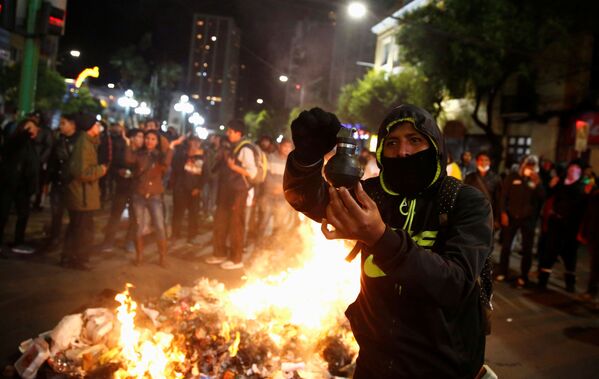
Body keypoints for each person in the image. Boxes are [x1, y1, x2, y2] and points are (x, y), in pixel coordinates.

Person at [284, 105, 493, 378]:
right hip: (374, 365)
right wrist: (307, 158)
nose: (403, 152)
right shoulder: (372, 196)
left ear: (435, 146)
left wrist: (380, 238)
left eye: (415, 140)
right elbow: (307, 198)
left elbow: (454, 284)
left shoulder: (465, 202)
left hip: (443, 369)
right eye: (392, 143)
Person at [124, 130, 182, 266]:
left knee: (160, 226)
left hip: (154, 195)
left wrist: (171, 147)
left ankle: (163, 257)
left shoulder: (160, 156)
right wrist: (128, 144)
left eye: (153, 139)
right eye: (147, 138)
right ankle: (139, 257)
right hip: (139, 194)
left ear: (157, 142)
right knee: (138, 226)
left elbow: (166, 164)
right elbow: (128, 159)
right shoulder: (139, 154)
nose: (149, 141)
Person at [205, 120, 257, 270]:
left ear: (238, 133)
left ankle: (236, 259)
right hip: (227, 191)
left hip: (239, 192)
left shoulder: (245, 149)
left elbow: (252, 173)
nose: (228, 133)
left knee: (236, 225)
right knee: (220, 222)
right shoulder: (231, 146)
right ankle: (219, 253)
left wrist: (234, 167)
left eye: (230, 131)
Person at [61, 114, 107, 270]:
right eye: (96, 124)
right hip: (82, 195)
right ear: (90, 127)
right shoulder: (84, 144)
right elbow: (81, 172)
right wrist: (101, 170)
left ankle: (68, 257)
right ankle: (78, 259)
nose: (99, 127)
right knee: (83, 230)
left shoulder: (88, 141)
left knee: (76, 228)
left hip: (84, 194)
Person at [538, 160, 590, 292]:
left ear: (580, 171)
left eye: (576, 168)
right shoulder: (560, 182)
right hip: (556, 223)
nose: (573, 170)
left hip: (572, 225)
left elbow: (585, 206)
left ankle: (570, 284)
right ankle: (542, 281)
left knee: (570, 254)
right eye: (571, 168)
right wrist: (550, 186)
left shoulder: (583, 186)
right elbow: (547, 195)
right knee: (550, 252)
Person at [496, 155, 544, 287]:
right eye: (527, 165)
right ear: (522, 165)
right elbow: (503, 196)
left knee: (527, 249)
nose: (529, 168)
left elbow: (542, 197)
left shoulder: (537, 180)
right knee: (506, 247)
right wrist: (503, 213)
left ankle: (523, 276)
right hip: (511, 217)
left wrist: (537, 183)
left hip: (528, 220)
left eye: (532, 166)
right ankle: (502, 272)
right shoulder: (512, 177)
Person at [0, 118, 40, 252]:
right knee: (3, 213)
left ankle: (18, 242)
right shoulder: (16, 140)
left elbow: (32, 165)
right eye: (29, 127)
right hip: (10, 182)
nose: (32, 130)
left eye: (34, 128)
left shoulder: (32, 144)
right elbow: (11, 148)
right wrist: (25, 134)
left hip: (23, 184)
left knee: (23, 214)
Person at [100, 128, 141, 252]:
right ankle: (108, 241)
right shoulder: (121, 151)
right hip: (122, 187)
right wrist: (119, 172)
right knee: (115, 215)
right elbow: (112, 167)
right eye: (139, 136)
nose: (141, 139)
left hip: (136, 189)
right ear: (131, 138)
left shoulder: (142, 153)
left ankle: (129, 241)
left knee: (135, 218)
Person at [45, 114, 80, 249]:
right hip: (58, 182)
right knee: (56, 213)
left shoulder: (79, 142)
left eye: (63, 123)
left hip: (72, 183)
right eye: (60, 123)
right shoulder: (59, 140)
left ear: (72, 124)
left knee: (73, 215)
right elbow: (52, 162)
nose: (61, 126)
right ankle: (54, 238)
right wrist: (47, 182)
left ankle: (69, 243)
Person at [170, 136, 205, 244]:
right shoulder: (181, 154)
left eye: (198, 142)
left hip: (194, 190)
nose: (195, 144)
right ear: (189, 142)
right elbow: (175, 167)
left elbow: (205, 174)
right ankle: (175, 234)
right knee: (178, 213)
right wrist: (188, 157)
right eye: (193, 141)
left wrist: (199, 187)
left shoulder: (202, 157)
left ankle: (192, 236)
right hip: (181, 188)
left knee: (193, 214)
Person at [465, 152, 502, 227]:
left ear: (490, 162)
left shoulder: (496, 178)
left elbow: (499, 200)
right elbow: (465, 197)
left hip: (489, 214)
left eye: (486, 160)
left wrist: (497, 219)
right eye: (481, 160)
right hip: (472, 213)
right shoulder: (469, 177)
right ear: (477, 162)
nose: (483, 162)